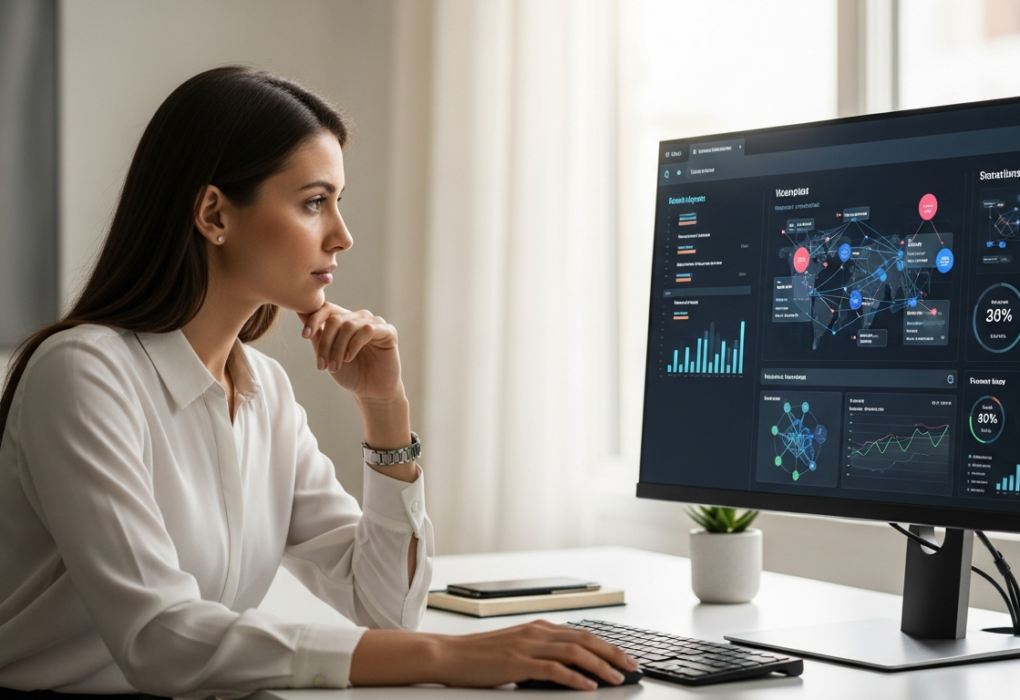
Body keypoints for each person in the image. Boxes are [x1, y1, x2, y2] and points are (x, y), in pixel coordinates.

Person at [0, 67, 636, 697]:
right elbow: (160, 639)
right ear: (214, 213)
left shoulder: (265, 392)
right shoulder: (84, 374)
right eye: (313, 202)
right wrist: (449, 654)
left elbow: (386, 608)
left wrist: (384, 409)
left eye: (337, 201)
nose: (342, 235)